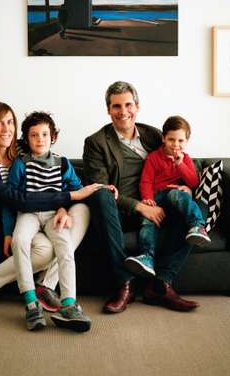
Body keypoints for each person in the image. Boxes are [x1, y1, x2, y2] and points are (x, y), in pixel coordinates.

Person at [0, 102, 101, 315]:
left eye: (10, 122)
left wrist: (63, 207)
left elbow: (58, 180)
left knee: (82, 209)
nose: (6, 129)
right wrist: (67, 197)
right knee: (44, 252)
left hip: (49, 215)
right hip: (12, 219)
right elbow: (18, 200)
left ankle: (46, 285)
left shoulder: (25, 147)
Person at [83, 81, 201, 314]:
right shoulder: (96, 143)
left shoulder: (154, 135)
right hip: (121, 210)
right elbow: (99, 185)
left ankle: (161, 285)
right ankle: (123, 283)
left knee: (198, 208)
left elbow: (183, 158)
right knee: (101, 196)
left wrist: (187, 187)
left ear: (137, 107)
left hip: (158, 202)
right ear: (108, 110)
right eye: (116, 106)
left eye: (128, 105)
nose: (123, 111)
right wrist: (140, 207)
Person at [4, 111, 106, 332]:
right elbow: (10, 200)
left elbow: (76, 190)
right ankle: (31, 303)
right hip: (27, 214)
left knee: (65, 246)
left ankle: (68, 304)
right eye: (34, 135)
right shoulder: (21, 164)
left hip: (53, 215)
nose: (40, 139)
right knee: (20, 241)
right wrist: (7, 232)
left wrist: (64, 209)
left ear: (53, 137)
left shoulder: (62, 164)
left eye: (44, 134)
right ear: (26, 139)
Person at [125, 115, 211, 279]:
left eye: (180, 141)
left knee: (177, 194)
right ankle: (147, 256)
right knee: (147, 220)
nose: (176, 145)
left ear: (186, 141)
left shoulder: (185, 159)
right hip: (157, 199)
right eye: (171, 140)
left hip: (175, 199)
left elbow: (193, 182)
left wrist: (179, 164)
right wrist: (147, 199)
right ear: (163, 138)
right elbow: (146, 182)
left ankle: (197, 225)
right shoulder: (153, 158)